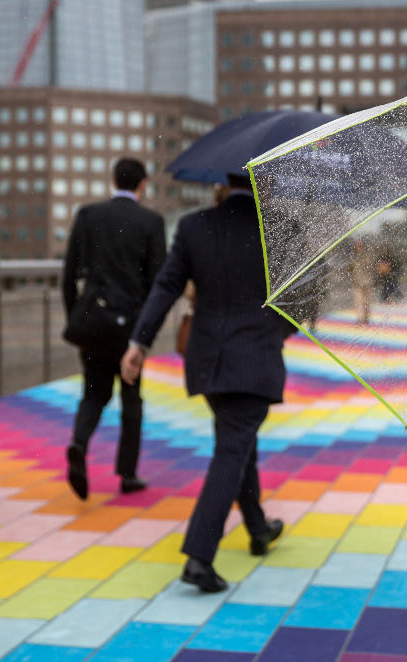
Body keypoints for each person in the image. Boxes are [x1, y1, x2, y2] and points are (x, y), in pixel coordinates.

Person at [122, 174, 288, 593]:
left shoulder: (195, 226)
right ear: (262, 179)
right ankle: (199, 557)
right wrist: (273, 332)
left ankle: (257, 527)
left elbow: (166, 286)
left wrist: (139, 342)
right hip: (254, 361)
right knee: (232, 448)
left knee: (237, 441)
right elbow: (304, 297)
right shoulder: (278, 228)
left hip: (208, 362)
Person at [62, 157, 166, 500]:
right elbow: (157, 284)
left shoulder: (89, 216)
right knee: (131, 397)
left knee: (93, 392)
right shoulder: (151, 222)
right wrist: (145, 335)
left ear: (112, 180)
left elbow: (68, 276)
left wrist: (75, 318)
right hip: (130, 326)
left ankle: (79, 442)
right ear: (142, 184)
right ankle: (128, 473)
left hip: (93, 321)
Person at [350, 238, 375, 325]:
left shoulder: (367, 256)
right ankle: (360, 318)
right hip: (357, 283)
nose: (359, 247)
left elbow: (371, 267)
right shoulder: (353, 257)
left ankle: (366, 317)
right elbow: (349, 269)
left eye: (360, 245)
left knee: (366, 301)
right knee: (358, 301)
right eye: (357, 245)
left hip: (367, 282)